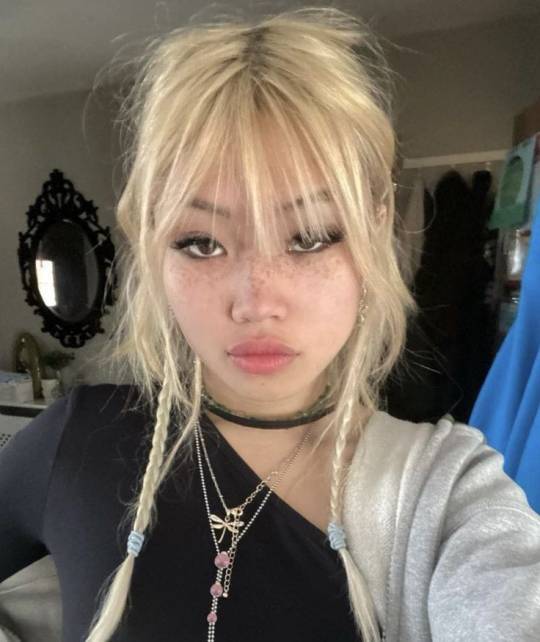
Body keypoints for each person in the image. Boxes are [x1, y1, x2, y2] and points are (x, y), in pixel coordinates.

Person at [1, 7, 539, 642]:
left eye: (309, 237)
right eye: (202, 242)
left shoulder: (444, 493)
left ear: (373, 233)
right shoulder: (76, 442)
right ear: (153, 247)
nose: (256, 303)